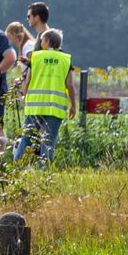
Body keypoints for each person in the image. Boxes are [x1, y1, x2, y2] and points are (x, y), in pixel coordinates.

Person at [12, 28, 74, 163]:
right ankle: (44, 171)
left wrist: (24, 97)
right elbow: (70, 84)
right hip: (55, 107)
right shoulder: (65, 59)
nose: (40, 42)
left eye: (41, 40)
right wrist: (73, 105)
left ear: (47, 42)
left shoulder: (36, 57)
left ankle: (17, 166)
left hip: (35, 106)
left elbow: (27, 81)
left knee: (27, 138)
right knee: (49, 140)